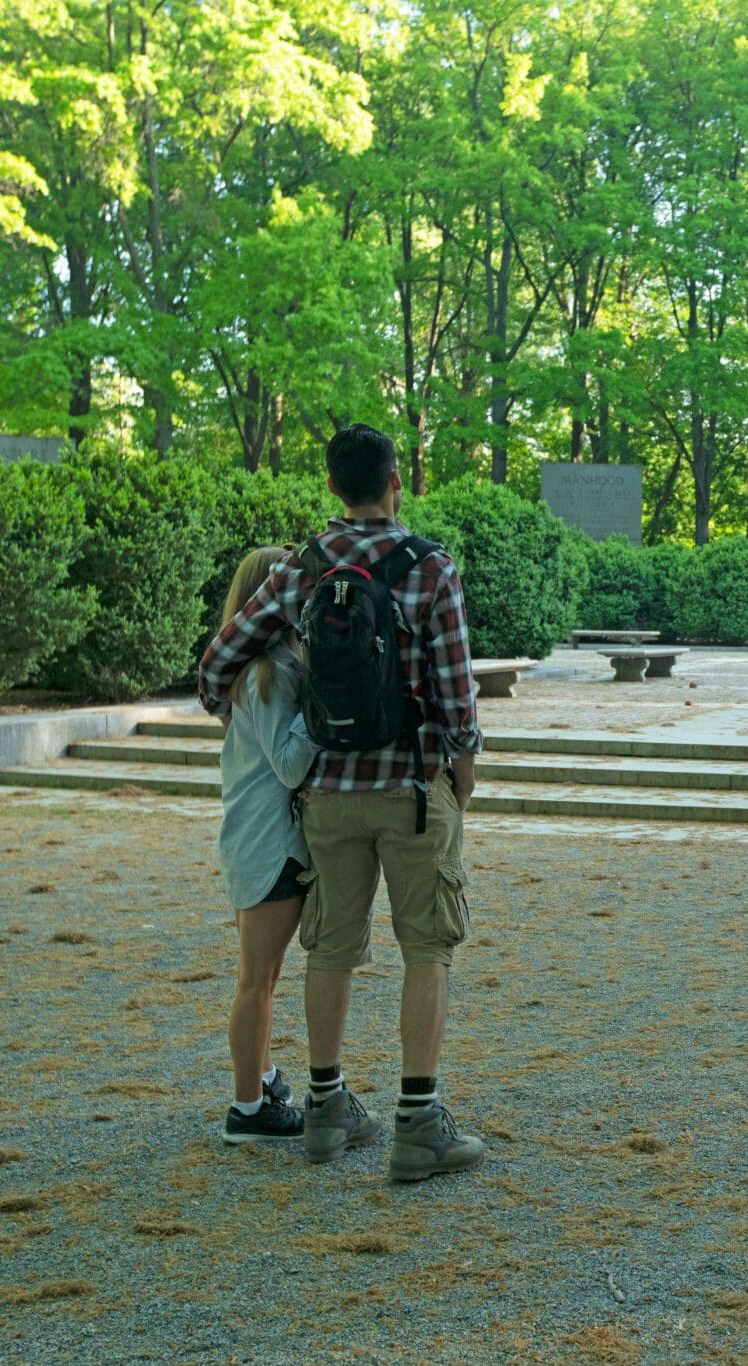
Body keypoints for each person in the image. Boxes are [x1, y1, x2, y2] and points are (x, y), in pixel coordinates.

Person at [199, 424, 484, 1182]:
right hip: (412, 788)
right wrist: (464, 766)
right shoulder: (431, 569)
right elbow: (457, 695)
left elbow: (218, 662)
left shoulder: (300, 570)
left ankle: (325, 1112)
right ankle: (417, 1124)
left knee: (331, 952)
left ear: (331, 486)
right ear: (397, 479)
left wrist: (231, 712)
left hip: (328, 794)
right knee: (427, 947)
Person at [213, 546, 317, 1144]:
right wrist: (324, 715)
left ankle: (262, 1075)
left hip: (252, 840)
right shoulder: (271, 674)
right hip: (270, 845)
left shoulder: (248, 670)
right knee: (256, 979)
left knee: (262, 976)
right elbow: (291, 765)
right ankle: (248, 1109)